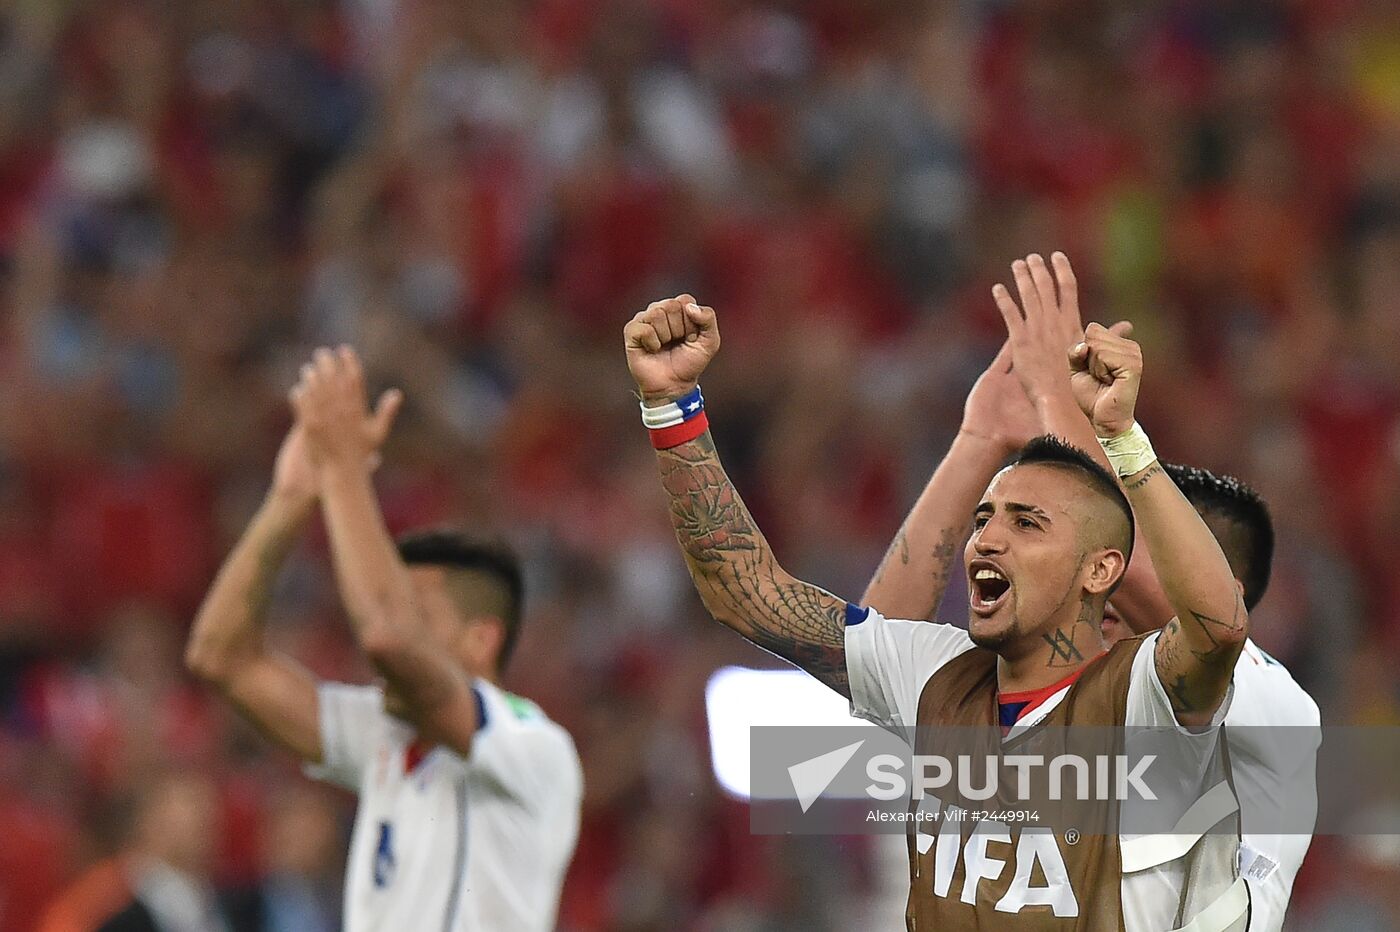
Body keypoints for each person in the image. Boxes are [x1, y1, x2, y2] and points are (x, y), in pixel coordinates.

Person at [624, 289, 1250, 928]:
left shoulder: (1149, 699)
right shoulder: (933, 672)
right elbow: (744, 590)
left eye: (1027, 524)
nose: (988, 539)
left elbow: (1220, 626)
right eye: (984, 519)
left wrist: (1121, 440)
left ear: (1100, 571)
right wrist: (671, 405)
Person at [864, 252, 1319, 931]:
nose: (1100, 587)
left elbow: (1138, 576)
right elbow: (879, 648)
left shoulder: (1271, 704)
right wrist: (979, 439)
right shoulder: (1062, 682)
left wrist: (1058, 397)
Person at [185, 347, 581, 932]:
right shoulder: (385, 736)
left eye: (419, 612)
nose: (391, 616)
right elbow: (221, 657)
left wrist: (343, 468)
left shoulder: (533, 748)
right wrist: (290, 499)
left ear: (480, 641)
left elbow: (386, 635)